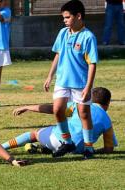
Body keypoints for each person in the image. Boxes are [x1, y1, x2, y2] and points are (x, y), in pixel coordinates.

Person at [43, 0, 98, 159]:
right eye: (64, 17)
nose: (64, 20)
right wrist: (50, 76)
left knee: (84, 114)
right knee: (57, 110)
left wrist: (88, 87)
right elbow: (58, 55)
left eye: (67, 17)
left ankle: (89, 147)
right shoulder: (63, 33)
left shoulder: (88, 37)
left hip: (80, 83)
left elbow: (92, 64)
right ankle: (67, 142)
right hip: (62, 81)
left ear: (78, 16)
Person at [2, 87, 118, 156]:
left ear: (90, 99)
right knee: (56, 130)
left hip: (60, 140)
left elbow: (52, 109)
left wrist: (27, 107)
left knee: (34, 134)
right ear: (108, 103)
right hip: (79, 149)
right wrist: (94, 151)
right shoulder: (107, 121)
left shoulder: (79, 106)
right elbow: (109, 149)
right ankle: (45, 148)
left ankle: (2, 147)